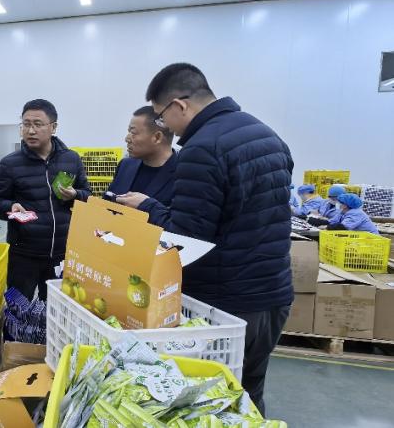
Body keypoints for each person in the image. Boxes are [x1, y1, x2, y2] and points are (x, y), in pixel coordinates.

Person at [116, 63, 293, 415]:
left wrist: (147, 206)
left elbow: (188, 236)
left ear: (180, 105)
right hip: (273, 293)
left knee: (207, 403)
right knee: (248, 394)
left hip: (227, 301)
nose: (165, 126)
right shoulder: (266, 134)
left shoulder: (202, 148)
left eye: (162, 117)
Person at [0, 99, 92, 301]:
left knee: (54, 309)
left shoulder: (71, 159)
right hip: (23, 253)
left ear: (53, 127)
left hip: (61, 252)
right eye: (26, 124)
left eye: (38, 124)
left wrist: (75, 195)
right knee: (18, 308)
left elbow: (87, 195)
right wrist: (11, 206)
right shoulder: (10, 164)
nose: (31, 131)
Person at [108, 106, 178, 206]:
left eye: (133, 132)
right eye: (128, 132)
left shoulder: (183, 176)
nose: (127, 139)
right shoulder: (125, 166)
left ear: (157, 137)